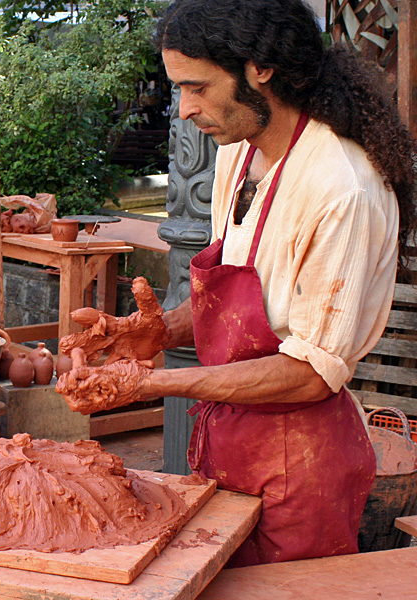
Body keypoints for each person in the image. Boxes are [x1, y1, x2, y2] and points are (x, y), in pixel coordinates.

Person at [64, 0, 417, 567]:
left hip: (300, 462)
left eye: (197, 87)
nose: (183, 110)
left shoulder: (341, 188)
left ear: (260, 69)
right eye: (178, 88)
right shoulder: (237, 157)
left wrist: (152, 386)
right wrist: (156, 332)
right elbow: (248, 302)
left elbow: (309, 373)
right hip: (227, 440)